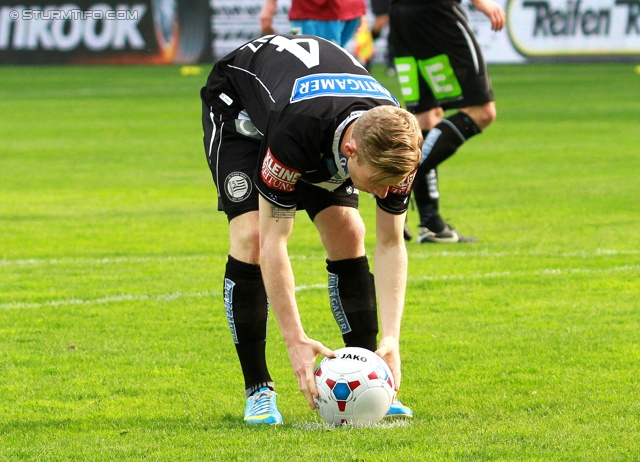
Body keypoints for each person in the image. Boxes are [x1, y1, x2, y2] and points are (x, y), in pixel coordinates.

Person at [200, 34, 422, 425]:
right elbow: (274, 243)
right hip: (242, 115)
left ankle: (370, 379)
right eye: (379, 182)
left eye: (395, 182)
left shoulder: (396, 145)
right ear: (351, 151)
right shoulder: (296, 131)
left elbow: (389, 242)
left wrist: (392, 338)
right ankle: (258, 390)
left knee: (348, 232)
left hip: (321, 126)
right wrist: (296, 340)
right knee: (251, 238)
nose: (388, 192)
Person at [389, 0, 506, 243]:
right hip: (438, 12)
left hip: (402, 16)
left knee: (426, 117)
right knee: (482, 112)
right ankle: (401, 178)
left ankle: (431, 224)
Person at [260, 0, 365, 48]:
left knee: (307, 65)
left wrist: (270, 5)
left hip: (316, 9)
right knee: (332, 65)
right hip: (350, 8)